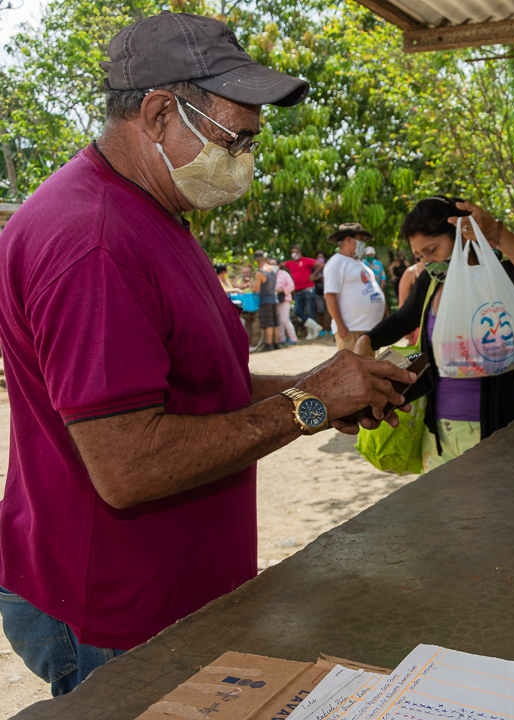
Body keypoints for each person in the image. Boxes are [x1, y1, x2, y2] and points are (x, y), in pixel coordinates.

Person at [0, 12, 416, 696]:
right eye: (236, 137)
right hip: (115, 608)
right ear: (161, 113)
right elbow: (128, 465)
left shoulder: (151, 209)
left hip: (166, 592)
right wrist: (309, 405)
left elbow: (193, 382)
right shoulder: (94, 241)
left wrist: (324, 382)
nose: (247, 156)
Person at [356, 196, 514, 471]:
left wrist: (496, 233)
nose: (428, 261)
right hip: (437, 436)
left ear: (462, 236)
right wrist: (365, 340)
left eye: (433, 249)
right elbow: (400, 320)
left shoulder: (493, 279)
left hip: (493, 432)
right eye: (421, 255)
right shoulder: (429, 284)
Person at [324, 222, 385, 350]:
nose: (363, 244)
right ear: (348, 240)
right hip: (352, 330)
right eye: (360, 240)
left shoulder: (359, 263)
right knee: (353, 369)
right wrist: (341, 327)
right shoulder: (336, 263)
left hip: (369, 330)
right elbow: (330, 296)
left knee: (370, 368)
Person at [284, 243, 317, 326]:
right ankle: (314, 327)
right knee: (297, 310)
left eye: (296, 252)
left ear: (300, 252)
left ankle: (313, 331)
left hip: (308, 289)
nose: (294, 254)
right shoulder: (290, 263)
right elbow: (280, 264)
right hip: (298, 292)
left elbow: (320, 264)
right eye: (292, 252)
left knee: (310, 311)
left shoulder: (306, 260)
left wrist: (313, 276)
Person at [253, 250, 280, 351]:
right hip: (274, 298)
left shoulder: (260, 273)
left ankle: (269, 344)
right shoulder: (272, 269)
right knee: (275, 322)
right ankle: (276, 343)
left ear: (256, 260)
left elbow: (256, 289)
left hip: (266, 299)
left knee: (268, 323)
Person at [270, 257, 298, 346]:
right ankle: (282, 339)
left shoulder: (284, 274)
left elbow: (292, 286)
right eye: (270, 264)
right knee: (279, 321)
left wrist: (282, 290)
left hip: (285, 299)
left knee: (285, 319)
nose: (272, 266)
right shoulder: (269, 275)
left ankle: (293, 338)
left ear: (279, 265)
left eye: (274, 264)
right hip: (275, 300)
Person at [309, 250, 329, 338]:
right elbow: (311, 278)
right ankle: (323, 329)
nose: (320, 259)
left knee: (331, 311)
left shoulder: (329, 267)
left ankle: (332, 329)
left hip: (329, 292)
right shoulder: (314, 269)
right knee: (321, 311)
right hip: (318, 292)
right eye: (318, 257)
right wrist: (319, 275)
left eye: (322, 257)